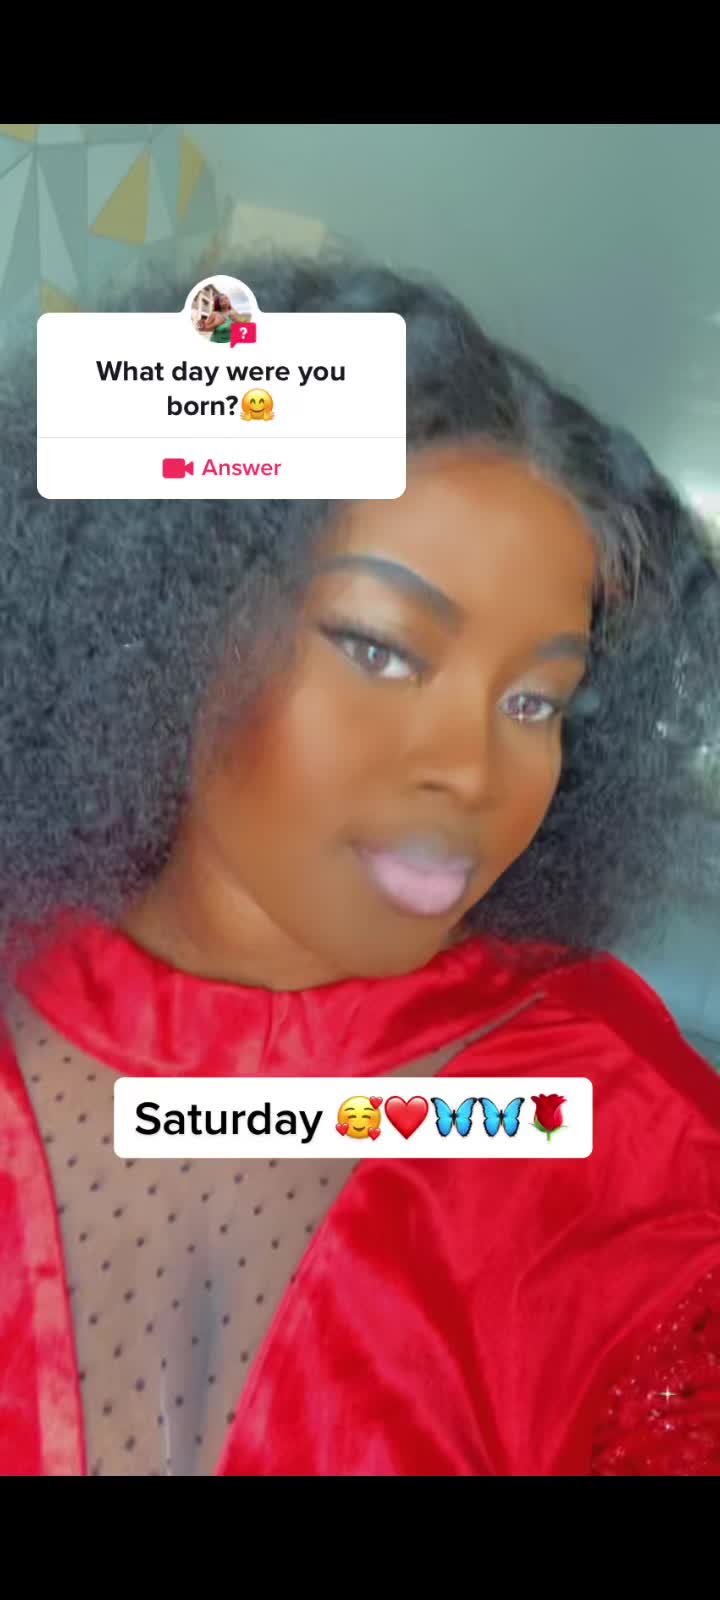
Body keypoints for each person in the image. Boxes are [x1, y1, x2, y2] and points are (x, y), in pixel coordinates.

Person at [2, 255, 720, 1477]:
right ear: (164, 618)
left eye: (537, 701)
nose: (472, 769)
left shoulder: (607, 1119)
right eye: (381, 649)